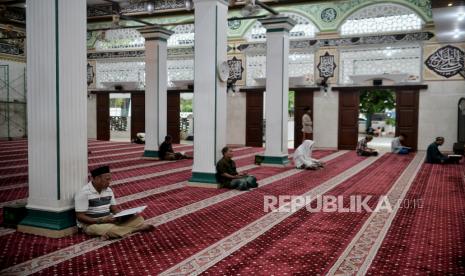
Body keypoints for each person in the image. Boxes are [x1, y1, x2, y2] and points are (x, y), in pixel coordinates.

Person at [75, 166, 154, 240]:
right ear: (96, 178)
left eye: (110, 179)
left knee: (139, 219)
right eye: (107, 179)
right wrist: (101, 221)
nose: (110, 182)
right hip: (92, 224)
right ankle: (136, 229)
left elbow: (114, 209)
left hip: (109, 220)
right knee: (107, 229)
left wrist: (123, 215)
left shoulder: (108, 190)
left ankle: (114, 232)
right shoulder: (84, 193)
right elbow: (80, 216)